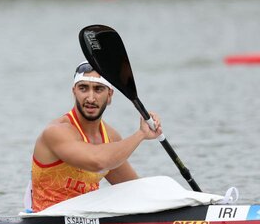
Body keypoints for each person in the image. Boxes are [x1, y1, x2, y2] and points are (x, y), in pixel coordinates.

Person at [28, 61, 162, 212]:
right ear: (74, 92)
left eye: (98, 89)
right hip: (48, 223)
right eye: (83, 88)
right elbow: (98, 162)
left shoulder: (111, 137)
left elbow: (132, 188)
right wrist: (141, 134)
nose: (90, 98)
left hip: (88, 220)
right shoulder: (57, 132)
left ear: (110, 95)